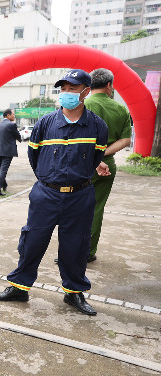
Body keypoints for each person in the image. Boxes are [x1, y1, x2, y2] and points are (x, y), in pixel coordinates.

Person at [0, 69, 109, 316]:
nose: (66, 93)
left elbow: (96, 157)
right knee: (32, 240)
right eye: (63, 89)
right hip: (46, 194)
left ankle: (74, 292)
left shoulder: (97, 126)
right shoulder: (45, 123)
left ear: (85, 92)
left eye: (72, 89)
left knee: (76, 245)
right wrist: (48, 180)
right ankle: (19, 287)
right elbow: (34, 157)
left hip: (80, 195)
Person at [83, 68, 131, 262]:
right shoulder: (121, 109)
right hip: (107, 165)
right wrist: (102, 154)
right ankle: (88, 252)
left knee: (73, 207)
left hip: (82, 162)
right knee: (96, 208)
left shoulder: (83, 104)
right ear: (109, 85)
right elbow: (126, 140)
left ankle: (70, 251)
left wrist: (93, 156)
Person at [0, 109, 22, 196]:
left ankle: (4, 185)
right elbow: (17, 135)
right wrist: (20, 139)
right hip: (7, 151)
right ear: (8, 116)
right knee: (3, 170)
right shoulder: (11, 125)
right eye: (13, 114)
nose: (14, 116)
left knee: (2, 169)